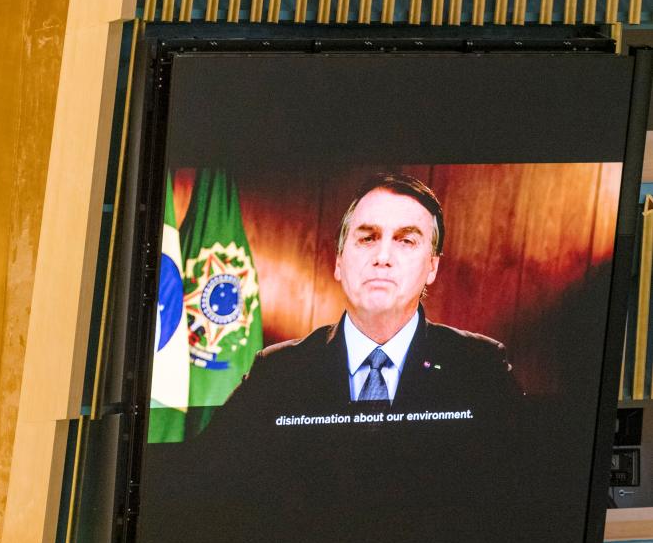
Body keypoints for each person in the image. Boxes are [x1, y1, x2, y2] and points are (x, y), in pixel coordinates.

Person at [211, 172, 522, 423]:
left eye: (406, 240)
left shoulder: (482, 366)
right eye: (367, 237)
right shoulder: (276, 371)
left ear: (432, 266)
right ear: (338, 261)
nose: (382, 256)